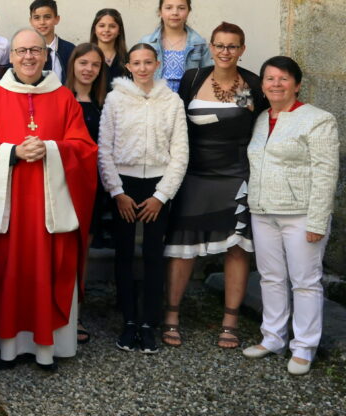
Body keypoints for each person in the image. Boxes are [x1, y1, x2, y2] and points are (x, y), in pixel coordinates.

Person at [0, 29, 97, 370]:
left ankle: (45, 348)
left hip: (49, 210)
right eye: (21, 50)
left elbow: (83, 149)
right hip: (7, 209)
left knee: (47, 271)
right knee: (7, 271)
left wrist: (52, 149)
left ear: (45, 54)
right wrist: (11, 152)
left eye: (35, 50)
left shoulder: (64, 98)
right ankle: (6, 346)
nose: (28, 57)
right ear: (11, 56)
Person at [163, 22, 266, 348]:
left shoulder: (253, 84)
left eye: (232, 46)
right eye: (219, 45)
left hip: (236, 174)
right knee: (182, 247)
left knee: (237, 247)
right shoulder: (194, 79)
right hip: (194, 174)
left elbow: (262, 126)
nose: (225, 51)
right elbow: (176, 123)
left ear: (242, 49)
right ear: (211, 47)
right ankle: (171, 316)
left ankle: (230, 321)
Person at [243, 56, 339, 375]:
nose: (276, 84)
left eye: (283, 79)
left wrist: (317, 221)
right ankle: (272, 337)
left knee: (305, 281)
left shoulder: (317, 119)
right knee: (270, 277)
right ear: (262, 85)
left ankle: (304, 346)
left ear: (297, 84)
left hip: (300, 214)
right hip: (263, 210)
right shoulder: (260, 119)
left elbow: (327, 173)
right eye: (270, 78)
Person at [98, 43, 188, 354]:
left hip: (158, 185)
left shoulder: (171, 101)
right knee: (123, 253)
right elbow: (104, 149)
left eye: (148, 62)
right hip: (125, 183)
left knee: (153, 255)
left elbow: (180, 154)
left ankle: (149, 321)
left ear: (157, 64)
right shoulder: (115, 99)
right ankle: (129, 321)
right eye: (136, 63)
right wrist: (117, 192)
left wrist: (161, 196)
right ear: (128, 66)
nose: (142, 68)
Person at [64, 42, 110, 344]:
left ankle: (76, 314)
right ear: (73, 65)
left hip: (93, 185)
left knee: (83, 252)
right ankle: (60, 314)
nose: (88, 69)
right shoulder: (60, 99)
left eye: (95, 64)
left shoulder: (106, 103)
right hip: (64, 184)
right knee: (62, 250)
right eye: (83, 63)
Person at [139, 0, 212, 92]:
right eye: (168, 8)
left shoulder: (199, 44)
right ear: (160, 11)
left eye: (181, 8)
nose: (175, 12)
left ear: (188, 11)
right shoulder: (146, 43)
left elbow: (208, 77)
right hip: (154, 102)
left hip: (187, 101)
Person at [30, 0, 75, 84]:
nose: (42, 22)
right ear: (31, 21)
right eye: (36, 18)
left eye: (47, 17)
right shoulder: (24, 51)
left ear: (57, 19)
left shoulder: (70, 50)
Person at [89, 8, 128, 83]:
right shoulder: (85, 57)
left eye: (112, 26)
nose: (106, 30)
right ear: (94, 29)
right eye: (102, 26)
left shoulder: (127, 59)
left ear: (119, 30)